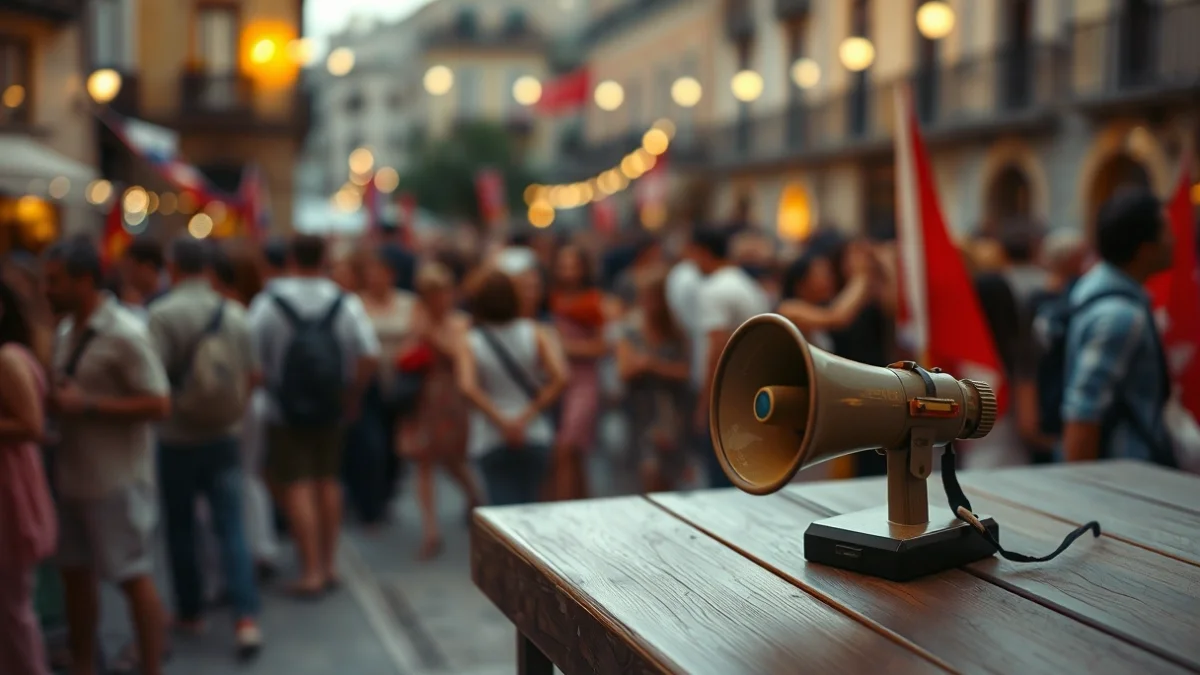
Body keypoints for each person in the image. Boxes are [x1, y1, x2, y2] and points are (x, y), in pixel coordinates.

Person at [43, 239, 171, 675]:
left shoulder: (125, 332)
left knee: (133, 577)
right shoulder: (65, 331)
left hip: (117, 480)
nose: (48, 290)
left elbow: (158, 403)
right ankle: (84, 663)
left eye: (55, 281)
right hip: (74, 475)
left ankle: (151, 666)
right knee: (75, 577)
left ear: (84, 280)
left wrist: (91, 406)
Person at [146, 237, 262, 656]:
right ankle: (246, 618)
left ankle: (191, 612)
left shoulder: (160, 315)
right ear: (210, 270)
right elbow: (252, 376)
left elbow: (151, 380)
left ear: (173, 267)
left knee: (180, 527)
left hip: (177, 437)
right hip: (223, 435)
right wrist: (229, 413)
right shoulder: (235, 313)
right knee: (230, 525)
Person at [248, 235, 380, 597]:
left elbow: (252, 360)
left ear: (290, 257)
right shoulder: (344, 301)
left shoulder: (268, 302)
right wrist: (352, 394)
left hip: (282, 408)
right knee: (327, 480)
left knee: (297, 484)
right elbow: (369, 354)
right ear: (324, 258)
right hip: (332, 405)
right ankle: (330, 564)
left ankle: (310, 571)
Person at [1061, 188, 1175, 466]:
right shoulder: (1120, 316)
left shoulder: (1098, 292)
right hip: (1122, 480)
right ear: (1145, 249)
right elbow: (1082, 415)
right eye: (1166, 231)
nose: (1175, 239)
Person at [457, 269, 567, 506]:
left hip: (490, 435)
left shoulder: (471, 340)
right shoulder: (536, 332)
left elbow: (467, 387)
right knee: (536, 504)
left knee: (502, 508)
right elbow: (560, 377)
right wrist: (525, 417)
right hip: (534, 430)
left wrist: (503, 421)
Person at [397, 262, 482, 558]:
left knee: (452, 460)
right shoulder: (417, 319)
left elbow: (456, 356)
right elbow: (404, 356)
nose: (435, 300)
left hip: (452, 399)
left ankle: (474, 496)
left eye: (439, 293)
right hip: (424, 397)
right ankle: (431, 530)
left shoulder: (460, 322)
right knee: (424, 461)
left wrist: (429, 335)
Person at [0, 270, 56, 675]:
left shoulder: (8, 358)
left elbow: (32, 426)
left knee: (14, 610)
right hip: (13, 485)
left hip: (11, 489)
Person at [688, 225, 771, 487]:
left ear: (702, 253)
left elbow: (716, 351)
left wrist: (705, 406)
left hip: (726, 399)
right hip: (749, 391)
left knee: (722, 481)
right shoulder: (744, 283)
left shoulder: (715, 290)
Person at [345, 248, 416, 527]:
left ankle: (386, 492)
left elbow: (417, 335)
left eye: (380, 272)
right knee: (370, 444)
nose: (375, 278)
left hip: (401, 385)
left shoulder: (408, 303)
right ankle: (369, 503)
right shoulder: (355, 304)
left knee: (394, 445)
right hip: (368, 385)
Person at [615, 266, 692, 492]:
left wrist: (651, 365)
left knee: (669, 474)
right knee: (647, 471)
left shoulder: (676, 331)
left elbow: (685, 371)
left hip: (671, 412)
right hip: (642, 412)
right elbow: (624, 370)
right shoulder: (631, 329)